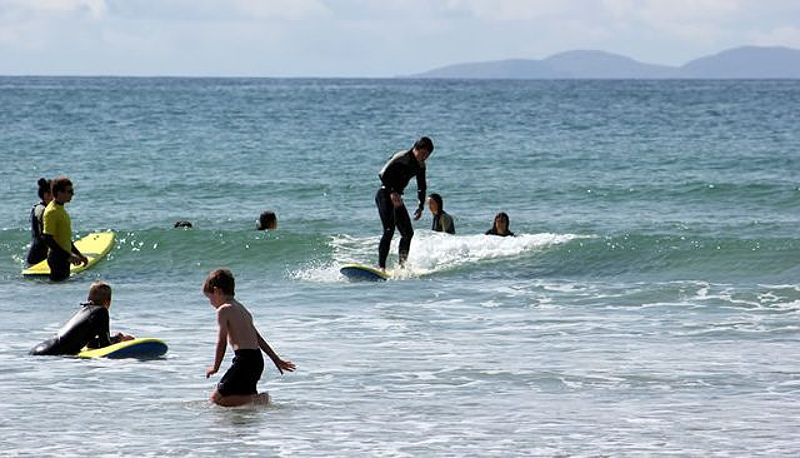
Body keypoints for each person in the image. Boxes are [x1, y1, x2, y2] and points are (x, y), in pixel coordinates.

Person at [203, 268, 295, 407]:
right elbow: (257, 337)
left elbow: (221, 341)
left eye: (210, 298)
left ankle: (260, 399)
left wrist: (215, 367)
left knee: (217, 399)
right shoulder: (241, 308)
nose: (210, 303)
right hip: (256, 360)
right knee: (241, 402)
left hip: (244, 361)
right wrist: (276, 359)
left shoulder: (223, 310)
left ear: (217, 291)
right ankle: (249, 417)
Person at [375, 136, 434, 270]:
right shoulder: (402, 156)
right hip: (384, 194)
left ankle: (402, 266)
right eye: (423, 153)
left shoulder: (420, 165)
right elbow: (382, 174)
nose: (425, 157)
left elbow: (421, 186)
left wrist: (420, 206)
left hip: (397, 198)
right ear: (416, 148)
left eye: (427, 155)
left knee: (408, 233)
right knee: (389, 230)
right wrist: (392, 192)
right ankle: (381, 267)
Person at [30, 281, 135, 356]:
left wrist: (114, 338)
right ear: (108, 301)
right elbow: (105, 345)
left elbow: (91, 344)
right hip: (53, 353)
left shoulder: (85, 310)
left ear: (89, 299)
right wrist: (119, 339)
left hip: (41, 349)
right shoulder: (101, 311)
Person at [42, 176, 88, 281]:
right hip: (57, 258)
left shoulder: (60, 209)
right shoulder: (51, 211)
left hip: (63, 258)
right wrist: (68, 256)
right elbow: (47, 238)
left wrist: (79, 255)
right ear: (59, 192)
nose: (72, 194)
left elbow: (65, 238)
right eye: (69, 191)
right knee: (58, 289)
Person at [26, 178, 53, 265]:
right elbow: (44, 234)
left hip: (41, 255)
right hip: (38, 257)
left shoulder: (47, 208)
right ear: (46, 194)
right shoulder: (40, 209)